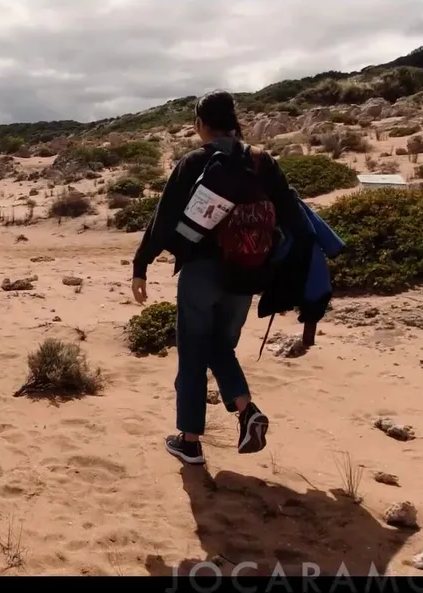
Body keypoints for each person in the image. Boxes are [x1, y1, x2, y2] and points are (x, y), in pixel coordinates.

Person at [130, 90, 301, 465]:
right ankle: (245, 411)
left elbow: (163, 219)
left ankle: (189, 441)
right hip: (248, 274)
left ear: (200, 124)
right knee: (219, 347)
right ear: (234, 121)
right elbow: (291, 213)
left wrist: (141, 265)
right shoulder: (261, 162)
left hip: (202, 273)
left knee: (194, 350)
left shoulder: (195, 162)